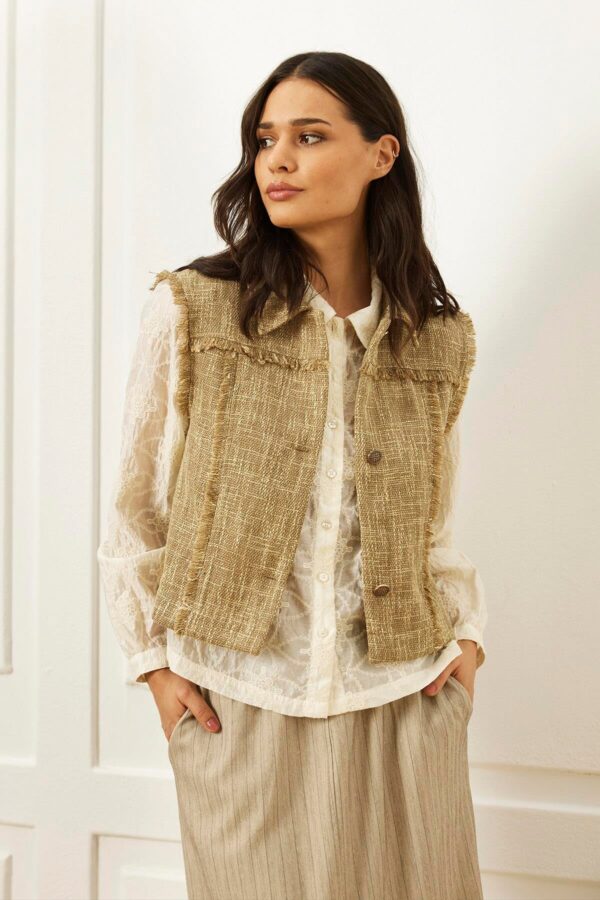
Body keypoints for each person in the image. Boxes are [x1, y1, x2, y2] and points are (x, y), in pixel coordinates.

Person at [97, 50, 487, 900]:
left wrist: (466, 643)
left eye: (309, 137)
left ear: (381, 154)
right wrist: (155, 666)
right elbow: (135, 510)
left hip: (404, 693)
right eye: (265, 140)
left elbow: (434, 520)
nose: (277, 160)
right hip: (238, 698)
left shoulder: (438, 337)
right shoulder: (192, 310)